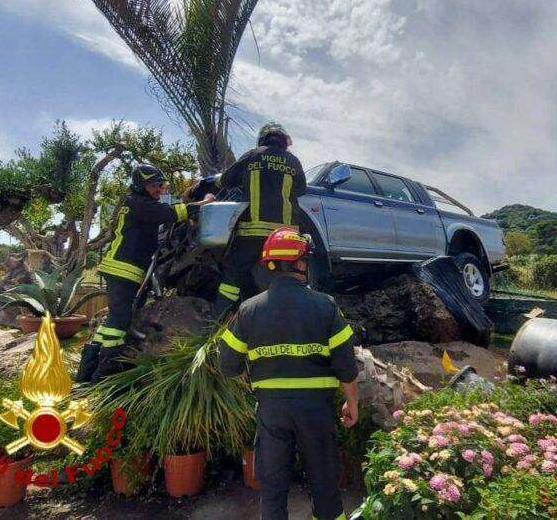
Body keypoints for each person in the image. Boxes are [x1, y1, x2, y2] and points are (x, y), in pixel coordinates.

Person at [218, 227, 358, 520]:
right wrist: (352, 403)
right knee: (325, 484)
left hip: (272, 411)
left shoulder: (249, 310)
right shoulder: (325, 305)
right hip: (316, 410)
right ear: (299, 263)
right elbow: (346, 365)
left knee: (272, 488)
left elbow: (228, 365)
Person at [76, 164, 214, 383]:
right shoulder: (138, 203)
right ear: (141, 186)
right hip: (123, 270)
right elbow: (170, 214)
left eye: (161, 184)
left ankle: (86, 374)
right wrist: (204, 203)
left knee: (113, 321)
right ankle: (103, 375)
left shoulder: (136, 202)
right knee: (119, 322)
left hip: (120, 269)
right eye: (154, 185)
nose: (159, 189)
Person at [213, 122, 306, 317]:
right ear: (284, 141)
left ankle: (219, 320)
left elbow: (226, 181)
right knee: (286, 278)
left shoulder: (252, 155)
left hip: (252, 233)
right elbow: (301, 190)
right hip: (285, 238)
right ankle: (288, 320)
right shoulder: (294, 161)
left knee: (234, 275)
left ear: (263, 139)